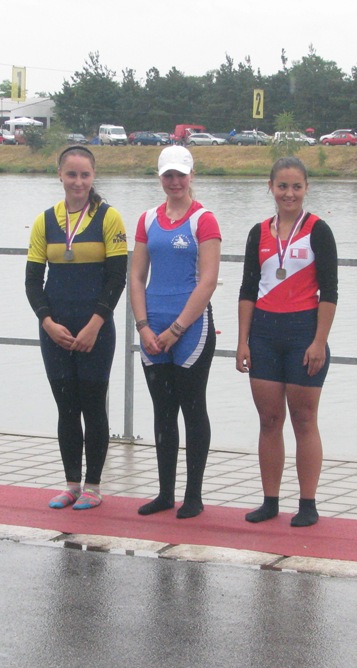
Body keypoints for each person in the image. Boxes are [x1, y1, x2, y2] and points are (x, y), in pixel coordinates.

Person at [235, 157, 338, 527]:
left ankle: (308, 503)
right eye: (282, 186)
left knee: (304, 419)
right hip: (263, 334)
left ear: (306, 187)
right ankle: (270, 501)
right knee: (269, 420)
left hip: (303, 335)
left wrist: (319, 341)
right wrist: (242, 341)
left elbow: (330, 291)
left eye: (296, 186)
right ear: (271, 187)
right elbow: (248, 289)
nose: (289, 193)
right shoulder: (258, 232)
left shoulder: (318, 230)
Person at [25, 146, 128, 510]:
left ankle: (93, 486)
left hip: (95, 330)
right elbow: (33, 282)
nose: (78, 182)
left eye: (85, 175)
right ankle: (71, 484)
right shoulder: (45, 221)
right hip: (56, 332)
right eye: (71, 174)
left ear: (93, 176)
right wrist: (48, 322)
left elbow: (117, 279)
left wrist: (95, 324)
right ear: (60, 175)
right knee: (66, 408)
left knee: (93, 407)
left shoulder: (109, 218)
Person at [128, 145, 221, 519]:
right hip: (152, 328)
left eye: (181, 175)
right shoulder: (147, 219)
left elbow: (209, 281)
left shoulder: (204, 220)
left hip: (191, 330)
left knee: (193, 409)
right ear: (160, 178)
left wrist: (177, 328)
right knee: (163, 412)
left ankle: (193, 495)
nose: (175, 181)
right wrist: (143, 326)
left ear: (191, 175)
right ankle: (165, 493)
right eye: (168, 175)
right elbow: (136, 277)